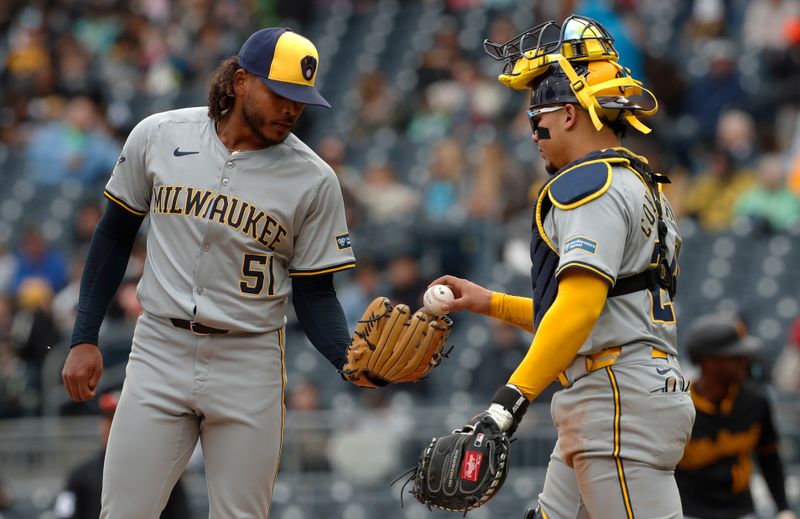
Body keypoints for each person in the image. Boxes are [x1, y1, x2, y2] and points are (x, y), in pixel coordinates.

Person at [61, 27, 363, 518]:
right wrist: (83, 335)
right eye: (281, 93)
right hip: (160, 348)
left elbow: (315, 293)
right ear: (241, 81)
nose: (292, 109)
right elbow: (114, 235)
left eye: (301, 100)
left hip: (249, 359)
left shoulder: (314, 180)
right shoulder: (159, 134)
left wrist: (347, 359)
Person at [431, 15, 695, 518]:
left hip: (615, 399)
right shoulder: (639, 183)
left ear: (570, 114)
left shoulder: (588, 184)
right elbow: (586, 316)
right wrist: (489, 302)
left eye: (538, 119)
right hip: (623, 388)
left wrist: (506, 404)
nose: (533, 134)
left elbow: (578, 309)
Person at [677, 313, 797, 519]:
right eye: (734, 355)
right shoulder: (679, 406)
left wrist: (783, 507)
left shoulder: (756, 401)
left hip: (741, 511)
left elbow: (769, 458)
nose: (744, 360)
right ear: (708, 362)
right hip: (689, 511)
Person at [53, 391, 192, 519]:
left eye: (120, 421)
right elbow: (64, 514)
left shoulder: (163, 472)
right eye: (109, 420)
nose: (114, 428)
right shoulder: (81, 475)